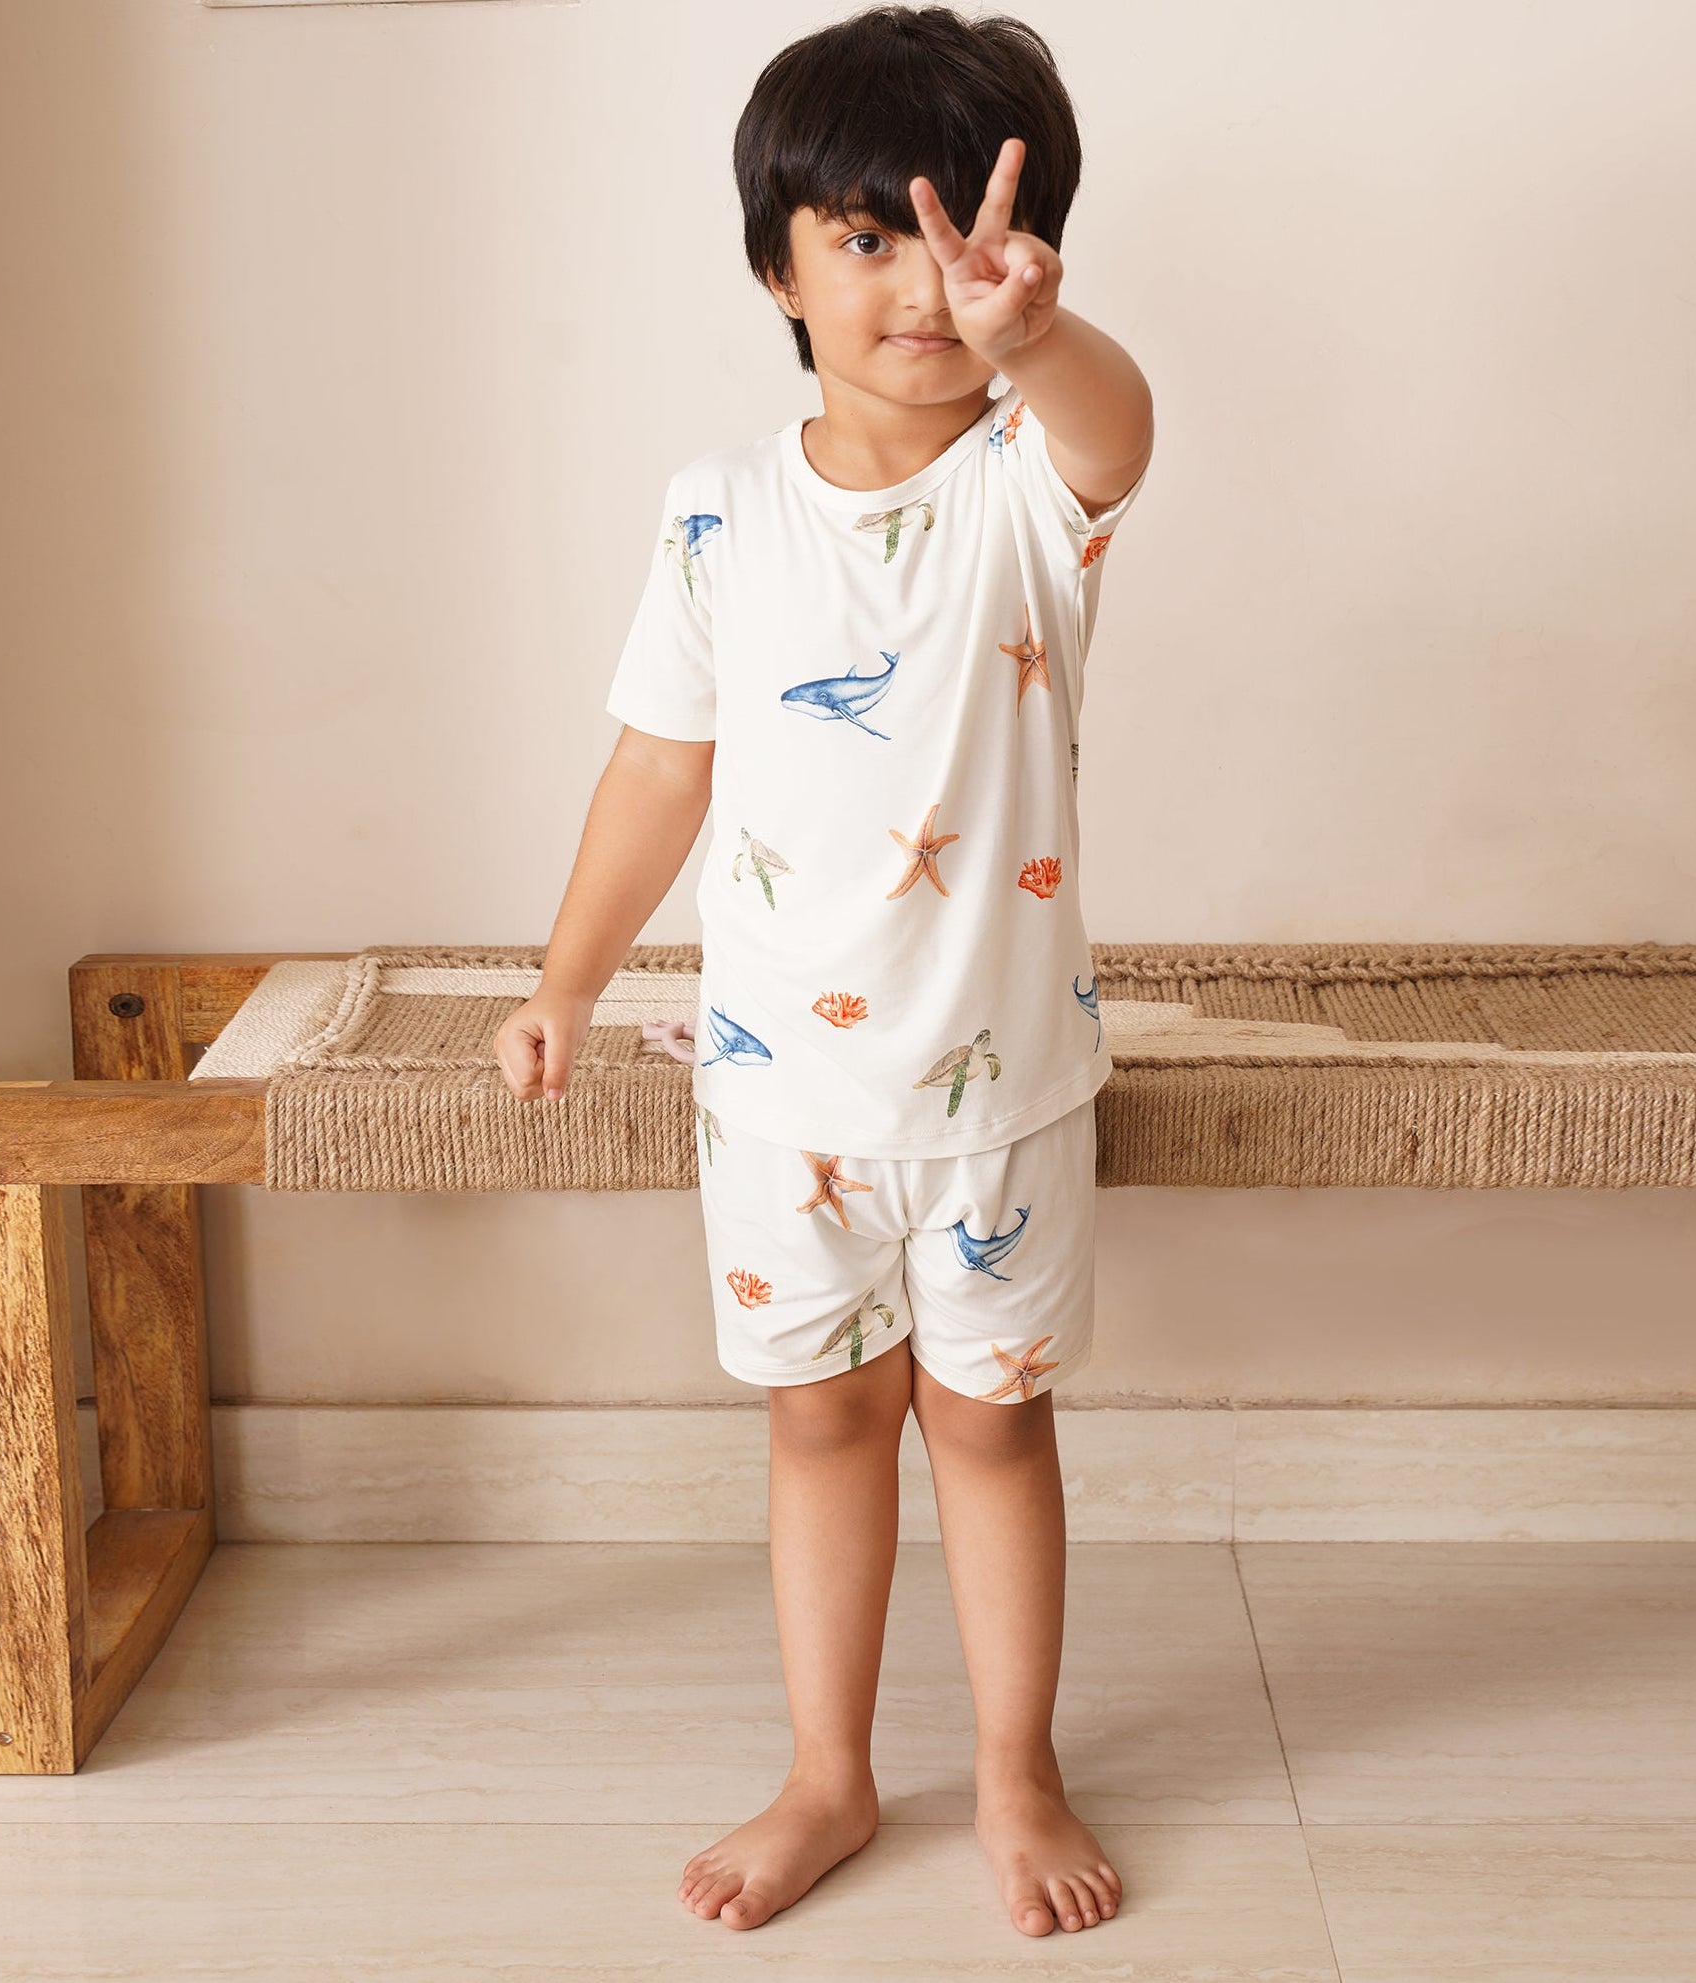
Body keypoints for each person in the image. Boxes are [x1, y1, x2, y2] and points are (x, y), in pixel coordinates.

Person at [495, 4, 1153, 1940]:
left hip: (999, 1094)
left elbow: (1120, 426)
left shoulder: (1033, 486)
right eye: (868, 238)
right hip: (777, 1102)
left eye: (962, 244)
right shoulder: (718, 504)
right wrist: (564, 975)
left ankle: (1019, 1764)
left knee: (991, 1424)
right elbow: (656, 764)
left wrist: (1043, 343)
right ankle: (829, 1768)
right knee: (818, 1421)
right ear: (774, 262)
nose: (920, 287)